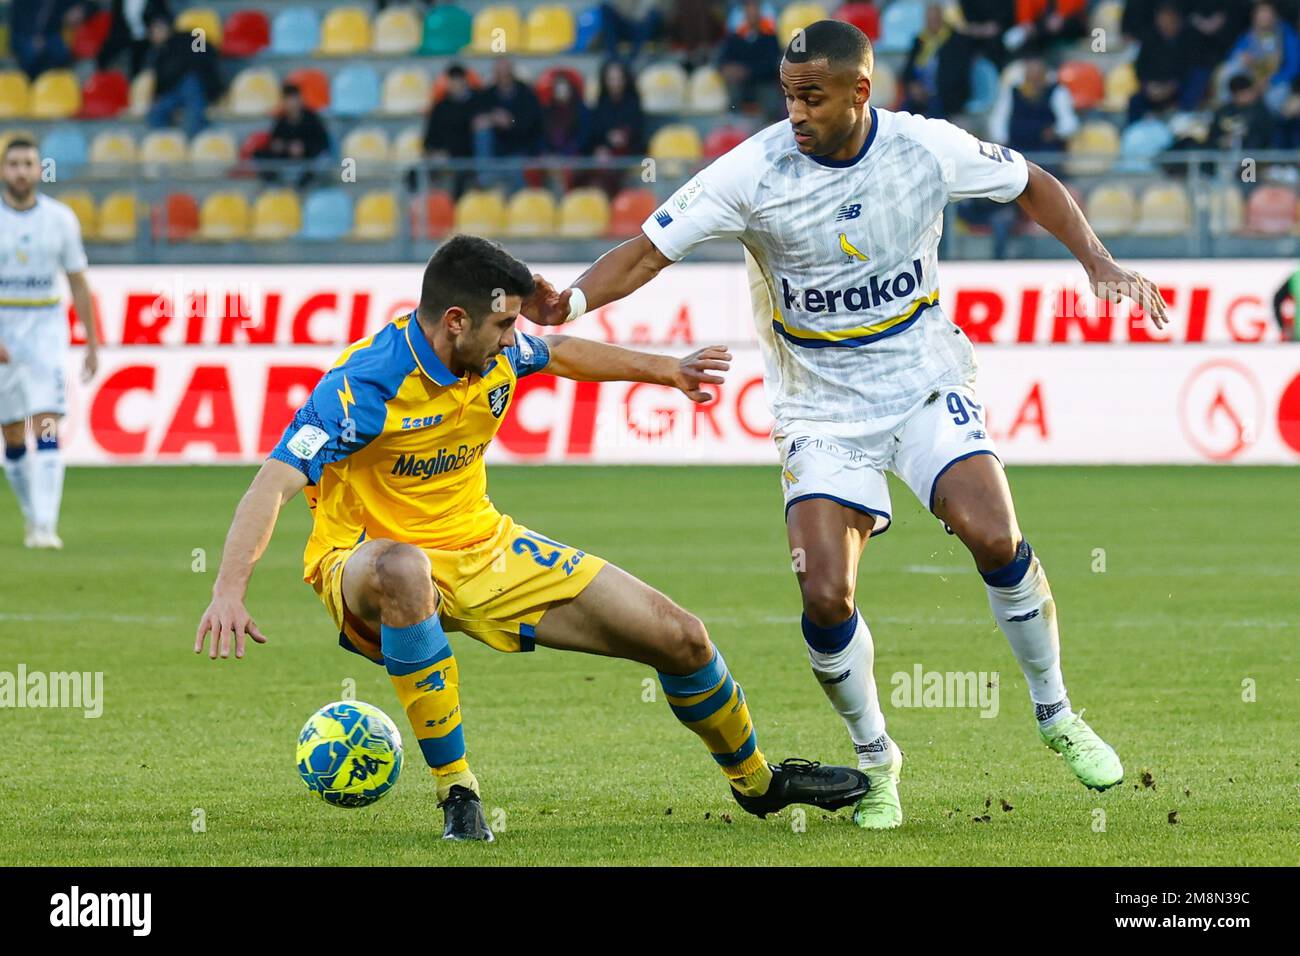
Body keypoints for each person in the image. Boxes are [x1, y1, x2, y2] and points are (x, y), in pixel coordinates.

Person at [523, 20, 1170, 829]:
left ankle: (1057, 715)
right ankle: (878, 761)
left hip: (923, 382)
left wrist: (1098, 260)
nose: (795, 111)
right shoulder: (753, 170)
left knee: (993, 534)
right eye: (788, 95)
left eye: (813, 97)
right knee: (825, 595)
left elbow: (1031, 181)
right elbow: (649, 249)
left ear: (861, 92)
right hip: (819, 407)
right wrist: (573, 302)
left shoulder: (924, 147)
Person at [193, 235, 870, 841]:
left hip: (485, 548)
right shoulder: (364, 385)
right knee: (404, 568)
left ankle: (757, 784)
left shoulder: (495, 352)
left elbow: (562, 350)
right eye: (503, 322)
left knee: (681, 637)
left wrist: (666, 370)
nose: (513, 336)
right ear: (455, 321)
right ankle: (458, 793)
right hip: (363, 562)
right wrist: (229, 589)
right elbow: (272, 481)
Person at [0, 136, 99, 549]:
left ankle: (45, 525)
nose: (21, 171)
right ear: (4, 170)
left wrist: (92, 342)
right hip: (4, 328)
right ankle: (31, 516)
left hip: (45, 329)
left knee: (46, 422)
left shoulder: (60, 219)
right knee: (12, 435)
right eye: (14, 164)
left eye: (28, 163)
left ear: (40, 170)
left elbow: (77, 280)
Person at [144, 13, 224, 139]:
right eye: (152, 31)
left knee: (190, 82)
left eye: (158, 29)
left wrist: (214, 89)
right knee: (155, 113)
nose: (155, 34)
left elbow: (207, 56)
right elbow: (161, 83)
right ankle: (169, 145)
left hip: (197, 87)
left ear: (168, 27)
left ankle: (193, 142)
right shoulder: (159, 54)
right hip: (175, 93)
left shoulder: (190, 37)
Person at [471, 58, 544, 190]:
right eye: (499, 73)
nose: (503, 77)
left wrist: (510, 121)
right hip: (495, 150)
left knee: (516, 173)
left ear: (512, 73)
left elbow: (531, 123)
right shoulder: (487, 94)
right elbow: (478, 119)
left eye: (506, 73)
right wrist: (492, 118)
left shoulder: (526, 94)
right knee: (482, 132)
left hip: (520, 149)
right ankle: (484, 179)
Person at [989, 57, 1079, 154]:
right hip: (1017, 148)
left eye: (1038, 78)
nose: (1034, 83)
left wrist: (1056, 131)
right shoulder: (1012, 92)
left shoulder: (1058, 92)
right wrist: (1001, 143)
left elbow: (1069, 123)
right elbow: (999, 118)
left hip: (1047, 150)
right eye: (1031, 78)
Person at [252, 83, 332, 187]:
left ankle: (305, 185)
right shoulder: (281, 121)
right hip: (287, 160)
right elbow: (274, 141)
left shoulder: (312, 119)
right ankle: (274, 187)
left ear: (300, 99)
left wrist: (304, 147)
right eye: (288, 100)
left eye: (294, 99)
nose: (291, 104)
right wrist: (277, 146)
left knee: (322, 160)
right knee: (260, 155)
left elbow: (323, 143)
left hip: (309, 159)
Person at [421, 64, 479, 197]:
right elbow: (429, 139)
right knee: (414, 175)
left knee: (456, 179)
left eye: (458, 80)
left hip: (468, 159)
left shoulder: (476, 103)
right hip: (444, 159)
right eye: (452, 81)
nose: (455, 85)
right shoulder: (440, 107)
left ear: (465, 81)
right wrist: (434, 152)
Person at [718, 0, 783, 116]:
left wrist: (747, 71)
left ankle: (769, 121)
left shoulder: (770, 35)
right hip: (741, 84)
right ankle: (732, 119)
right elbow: (723, 59)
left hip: (763, 82)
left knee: (769, 95)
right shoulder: (736, 36)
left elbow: (772, 64)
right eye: (748, 7)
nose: (752, 11)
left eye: (755, 7)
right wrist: (728, 69)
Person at [1209, 73, 1276, 150]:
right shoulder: (1223, 111)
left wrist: (1238, 142)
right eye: (1241, 93)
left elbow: (1264, 138)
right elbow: (1213, 136)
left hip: (1253, 158)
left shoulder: (1261, 111)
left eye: (1248, 92)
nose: (1247, 95)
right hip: (1224, 157)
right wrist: (1221, 141)